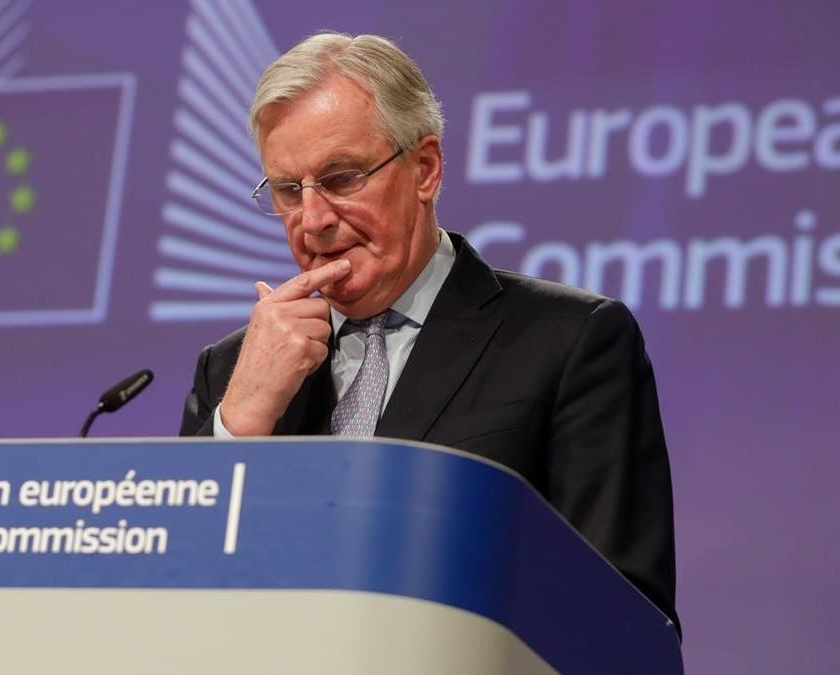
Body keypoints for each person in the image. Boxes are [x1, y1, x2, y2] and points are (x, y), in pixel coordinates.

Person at [179, 31, 678, 632]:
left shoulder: (570, 341)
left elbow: (624, 617)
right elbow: (174, 604)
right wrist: (241, 425)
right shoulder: (232, 372)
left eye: (340, 178)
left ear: (425, 169)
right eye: (288, 190)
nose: (311, 221)